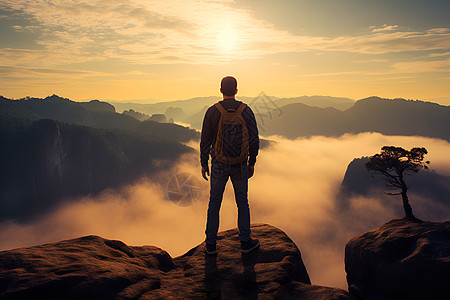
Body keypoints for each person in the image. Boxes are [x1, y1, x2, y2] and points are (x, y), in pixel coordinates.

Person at [200, 76, 260, 255]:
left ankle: (210, 245)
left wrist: (204, 163)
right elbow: (254, 139)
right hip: (240, 164)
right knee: (242, 202)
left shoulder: (212, 111)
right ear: (236, 90)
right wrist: (252, 162)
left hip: (218, 164)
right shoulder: (246, 110)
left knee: (214, 203)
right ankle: (245, 242)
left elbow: (205, 140)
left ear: (220, 90)